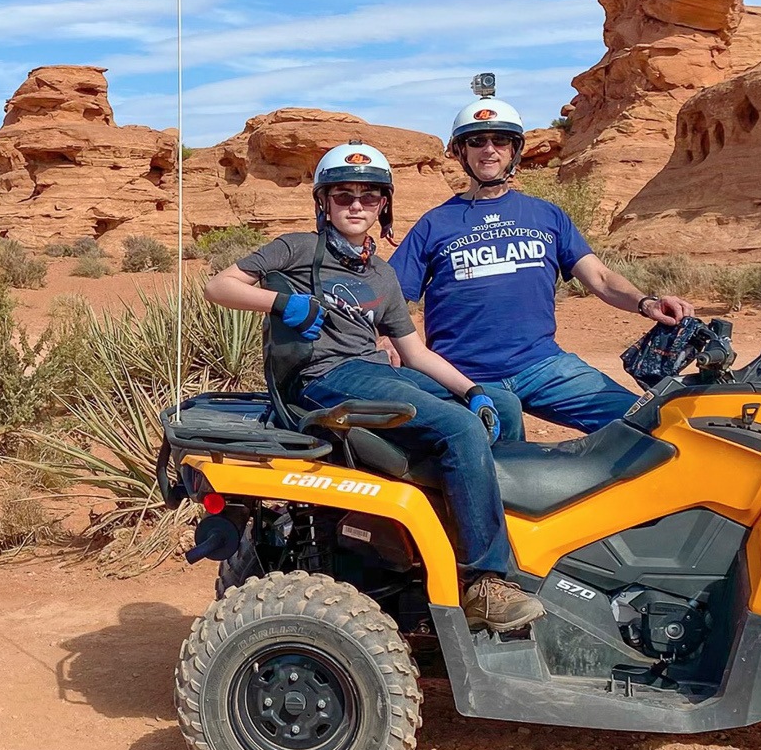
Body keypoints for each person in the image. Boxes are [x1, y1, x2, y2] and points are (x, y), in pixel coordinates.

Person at [204, 143, 544, 633]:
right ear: (324, 202)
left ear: (384, 203)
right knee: (460, 429)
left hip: (378, 373)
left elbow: (415, 352)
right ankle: (484, 583)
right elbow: (220, 285)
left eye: (369, 195)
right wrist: (281, 303)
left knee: (505, 407)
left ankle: (492, 537)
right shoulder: (299, 248)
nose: (356, 205)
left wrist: (474, 390)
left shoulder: (381, 271)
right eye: (343, 195)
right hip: (322, 379)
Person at [390, 91, 695, 438]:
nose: (489, 149)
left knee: (647, 425)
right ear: (461, 152)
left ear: (514, 150)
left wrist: (647, 303)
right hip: (464, 377)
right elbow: (394, 296)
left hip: (544, 367)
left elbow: (600, 276)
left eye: (500, 140)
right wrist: (385, 336)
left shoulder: (546, 215)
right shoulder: (435, 224)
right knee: (505, 471)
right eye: (476, 141)